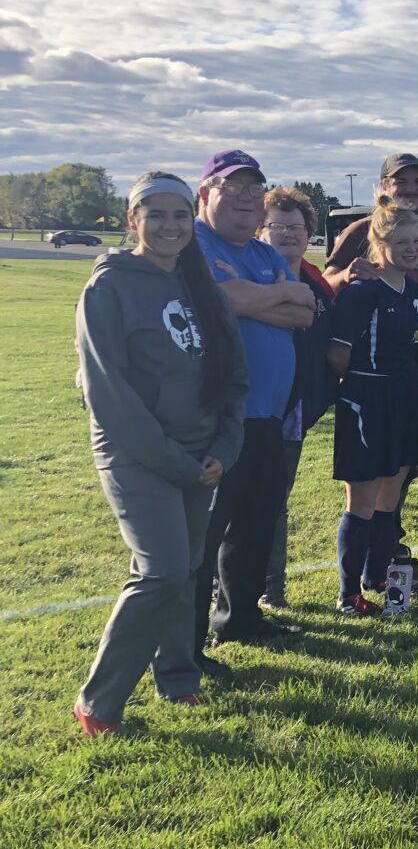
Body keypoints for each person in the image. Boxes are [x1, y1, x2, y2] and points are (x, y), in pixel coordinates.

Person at [72, 173, 247, 737]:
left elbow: (234, 379)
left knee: (184, 569)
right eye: (157, 215)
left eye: (180, 215)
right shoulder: (109, 288)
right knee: (164, 569)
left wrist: (223, 448)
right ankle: (98, 705)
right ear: (133, 221)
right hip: (137, 453)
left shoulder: (202, 285)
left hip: (201, 454)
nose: (171, 226)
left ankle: (176, 676)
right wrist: (177, 461)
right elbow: (108, 393)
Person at [191, 150, 312, 665]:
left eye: (253, 188)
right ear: (205, 194)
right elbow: (223, 301)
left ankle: (240, 620)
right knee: (204, 534)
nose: (245, 197)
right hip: (215, 417)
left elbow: (305, 311)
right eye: (232, 187)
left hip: (267, 416)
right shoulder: (195, 242)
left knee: (256, 521)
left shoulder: (262, 253)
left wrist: (253, 296)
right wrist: (273, 294)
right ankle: (187, 644)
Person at [327, 203, 418, 617]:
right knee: (363, 501)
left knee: (391, 497)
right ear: (379, 243)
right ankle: (348, 594)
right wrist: (359, 390)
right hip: (366, 399)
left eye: (416, 241)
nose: (411, 249)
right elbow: (337, 355)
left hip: (405, 399)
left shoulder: (416, 293)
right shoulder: (362, 292)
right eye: (402, 241)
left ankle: (376, 578)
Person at [257, 187, 335, 611]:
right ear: (260, 230)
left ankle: (272, 591)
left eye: (297, 227)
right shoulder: (250, 276)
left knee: (275, 501)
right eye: (278, 225)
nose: (288, 234)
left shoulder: (316, 283)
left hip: (293, 413)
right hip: (249, 409)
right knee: (235, 502)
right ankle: (224, 589)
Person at [324, 154, 418, 327]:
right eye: (401, 182)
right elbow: (324, 287)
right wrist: (345, 276)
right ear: (384, 186)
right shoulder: (361, 232)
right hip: (376, 342)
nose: (411, 189)